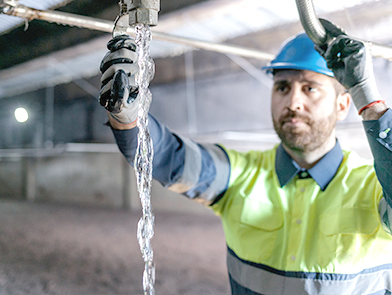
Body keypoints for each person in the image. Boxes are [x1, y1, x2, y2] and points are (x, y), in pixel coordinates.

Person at [99, 26, 392, 295]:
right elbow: (169, 158)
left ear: (342, 105)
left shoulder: (374, 186)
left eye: (310, 88)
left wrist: (370, 102)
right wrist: (128, 115)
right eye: (282, 87)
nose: (292, 103)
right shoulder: (241, 173)